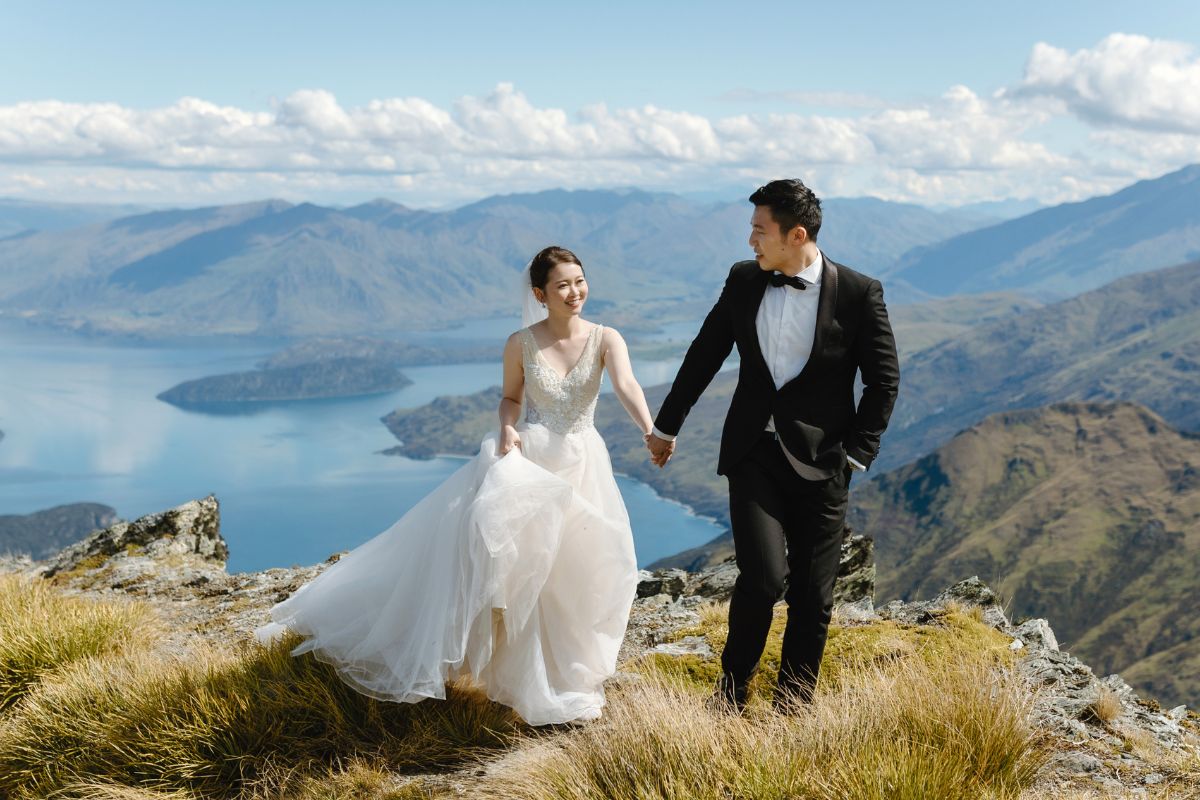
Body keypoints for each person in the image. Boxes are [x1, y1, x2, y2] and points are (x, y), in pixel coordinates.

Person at [255, 245, 657, 726]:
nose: (575, 292)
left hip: (585, 463)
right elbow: (511, 398)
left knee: (580, 567)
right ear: (540, 294)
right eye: (562, 285)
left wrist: (649, 430)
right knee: (532, 572)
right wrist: (508, 427)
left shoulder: (606, 337)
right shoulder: (521, 342)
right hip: (533, 465)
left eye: (579, 281)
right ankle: (529, 682)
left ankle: (569, 674)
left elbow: (628, 385)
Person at [646, 179, 900, 712]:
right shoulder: (743, 280)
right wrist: (667, 427)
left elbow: (883, 380)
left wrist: (857, 453)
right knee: (762, 579)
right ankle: (730, 695)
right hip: (753, 450)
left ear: (796, 235)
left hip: (825, 461)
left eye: (759, 231)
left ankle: (793, 707)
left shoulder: (858, 292)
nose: (750, 241)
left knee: (813, 596)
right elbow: (704, 354)